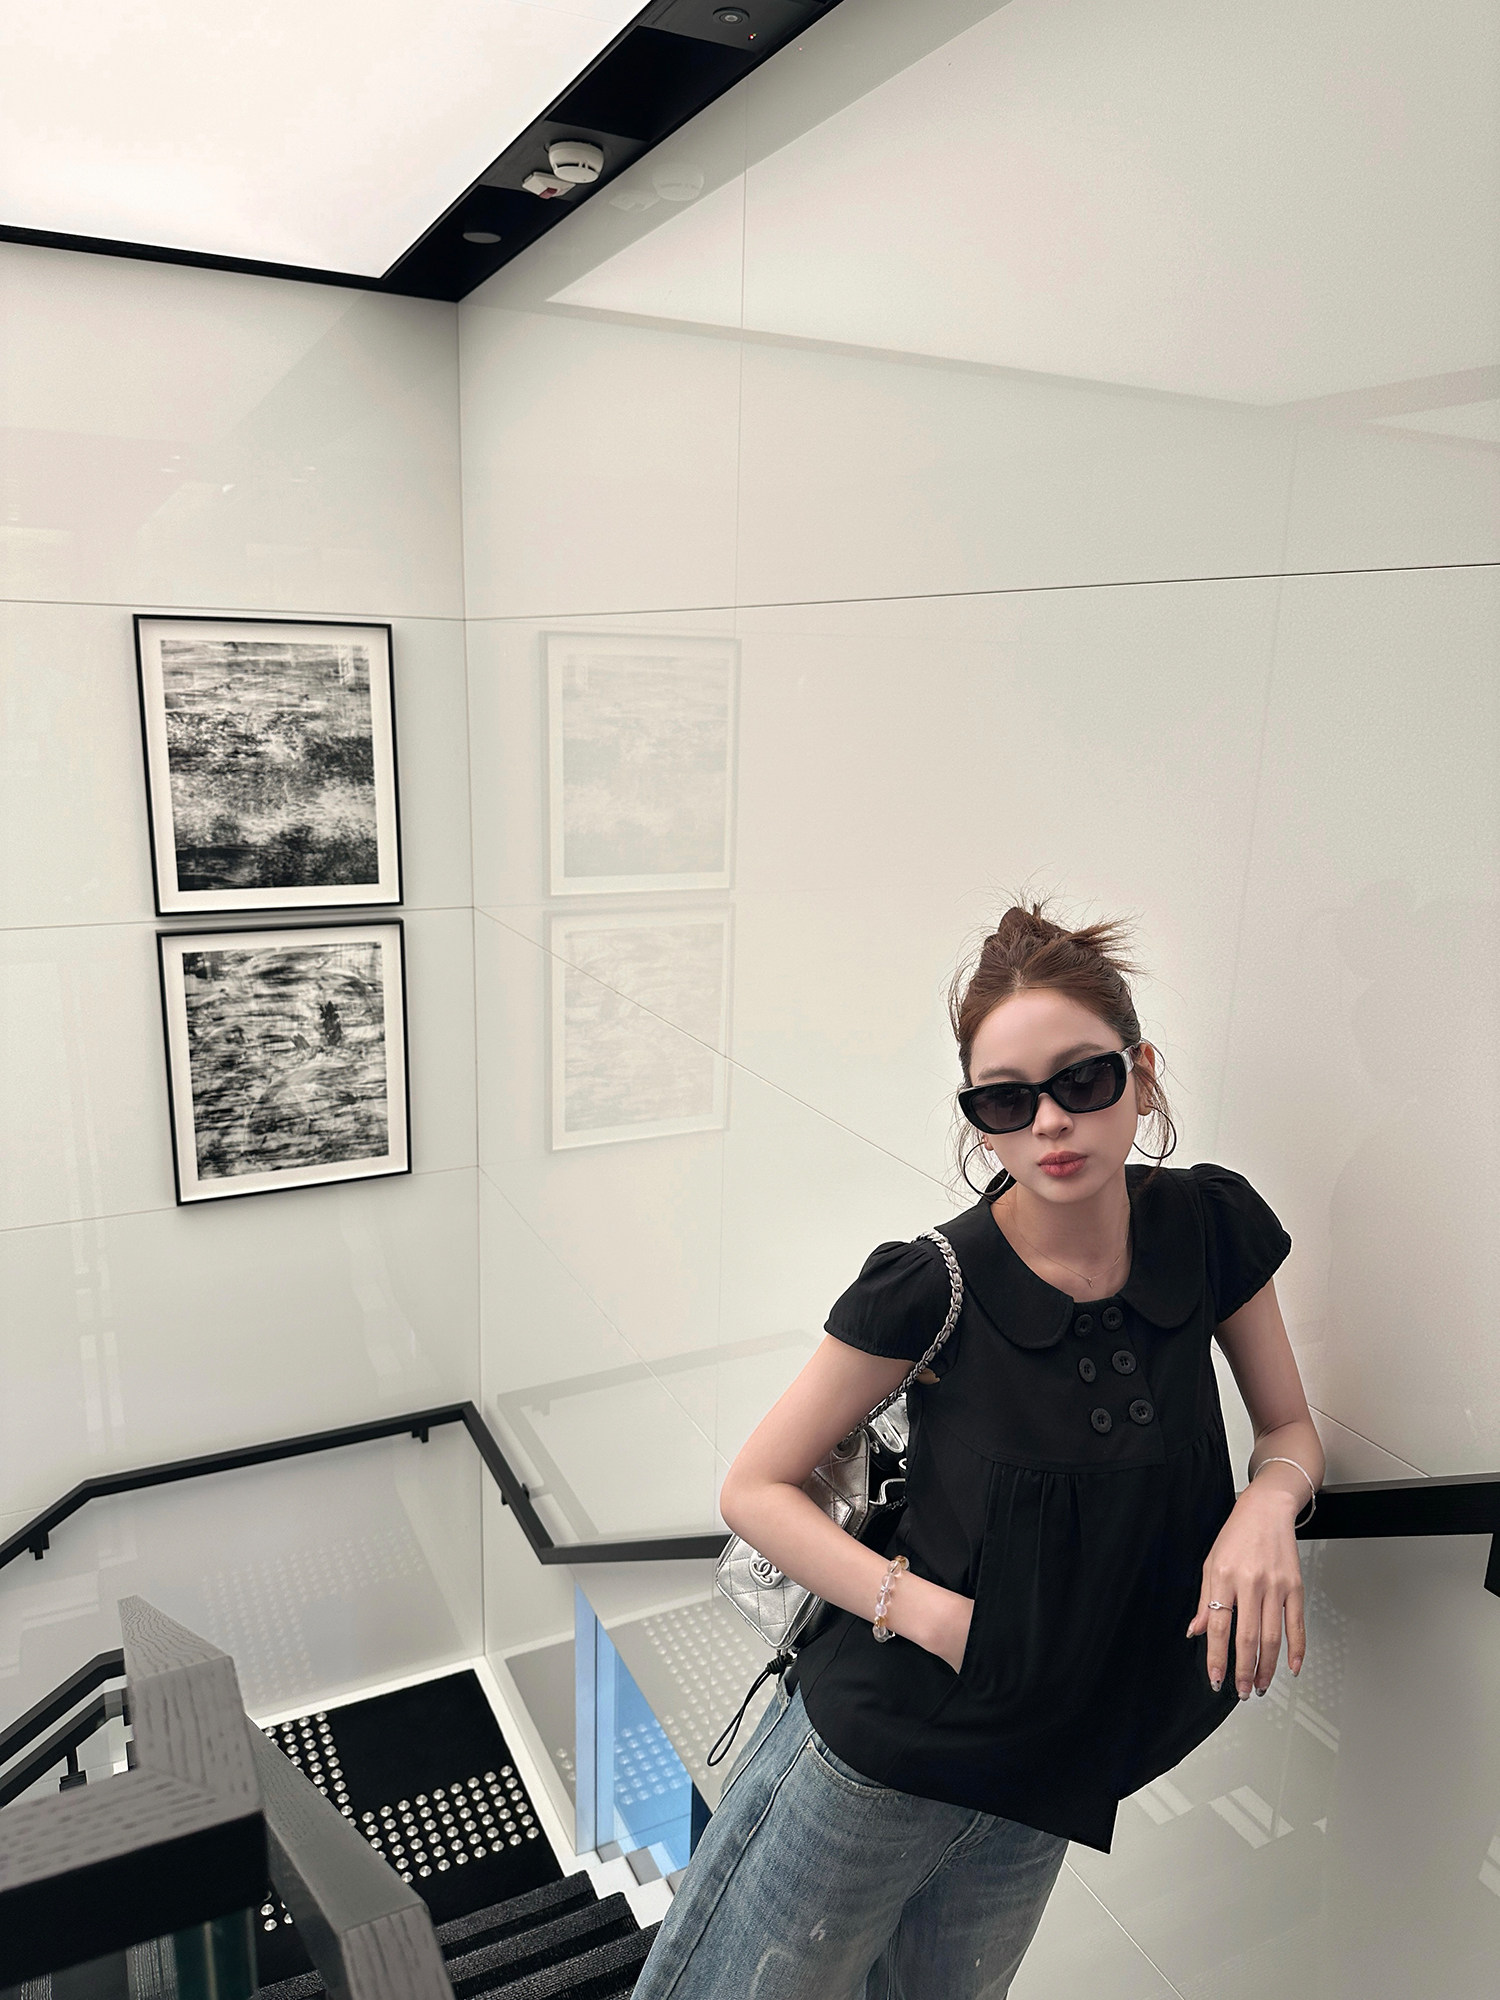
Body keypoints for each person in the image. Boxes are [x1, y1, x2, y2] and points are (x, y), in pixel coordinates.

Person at [631, 902, 1324, 2000]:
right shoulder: (928, 1284)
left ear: (1141, 1073)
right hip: (884, 1753)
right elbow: (754, 1488)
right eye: (1006, 1099)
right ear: (980, 1123)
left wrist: (1266, 1506)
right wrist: (933, 1617)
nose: (1050, 1121)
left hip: (1053, 1760)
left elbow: (1288, 1430)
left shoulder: (1209, 1227)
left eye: (1083, 1079)